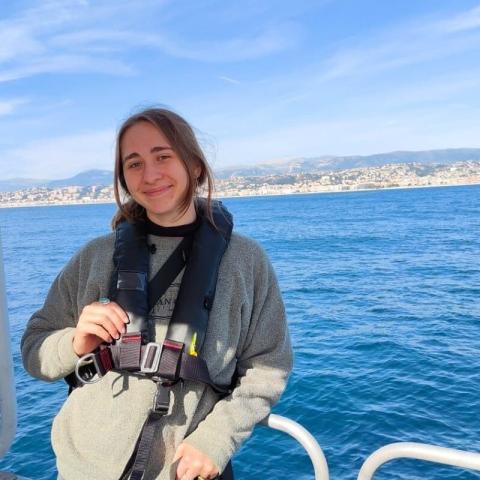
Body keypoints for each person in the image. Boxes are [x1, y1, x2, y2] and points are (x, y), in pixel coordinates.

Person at [21, 107, 293, 480]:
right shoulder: (94, 257)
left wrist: (217, 440)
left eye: (163, 156)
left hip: (186, 470)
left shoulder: (247, 262)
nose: (150, 175)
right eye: (133, 164)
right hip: (84, 466)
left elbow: (267, 369)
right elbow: (34, 353)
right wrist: (75, 342)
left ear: (194, 166)